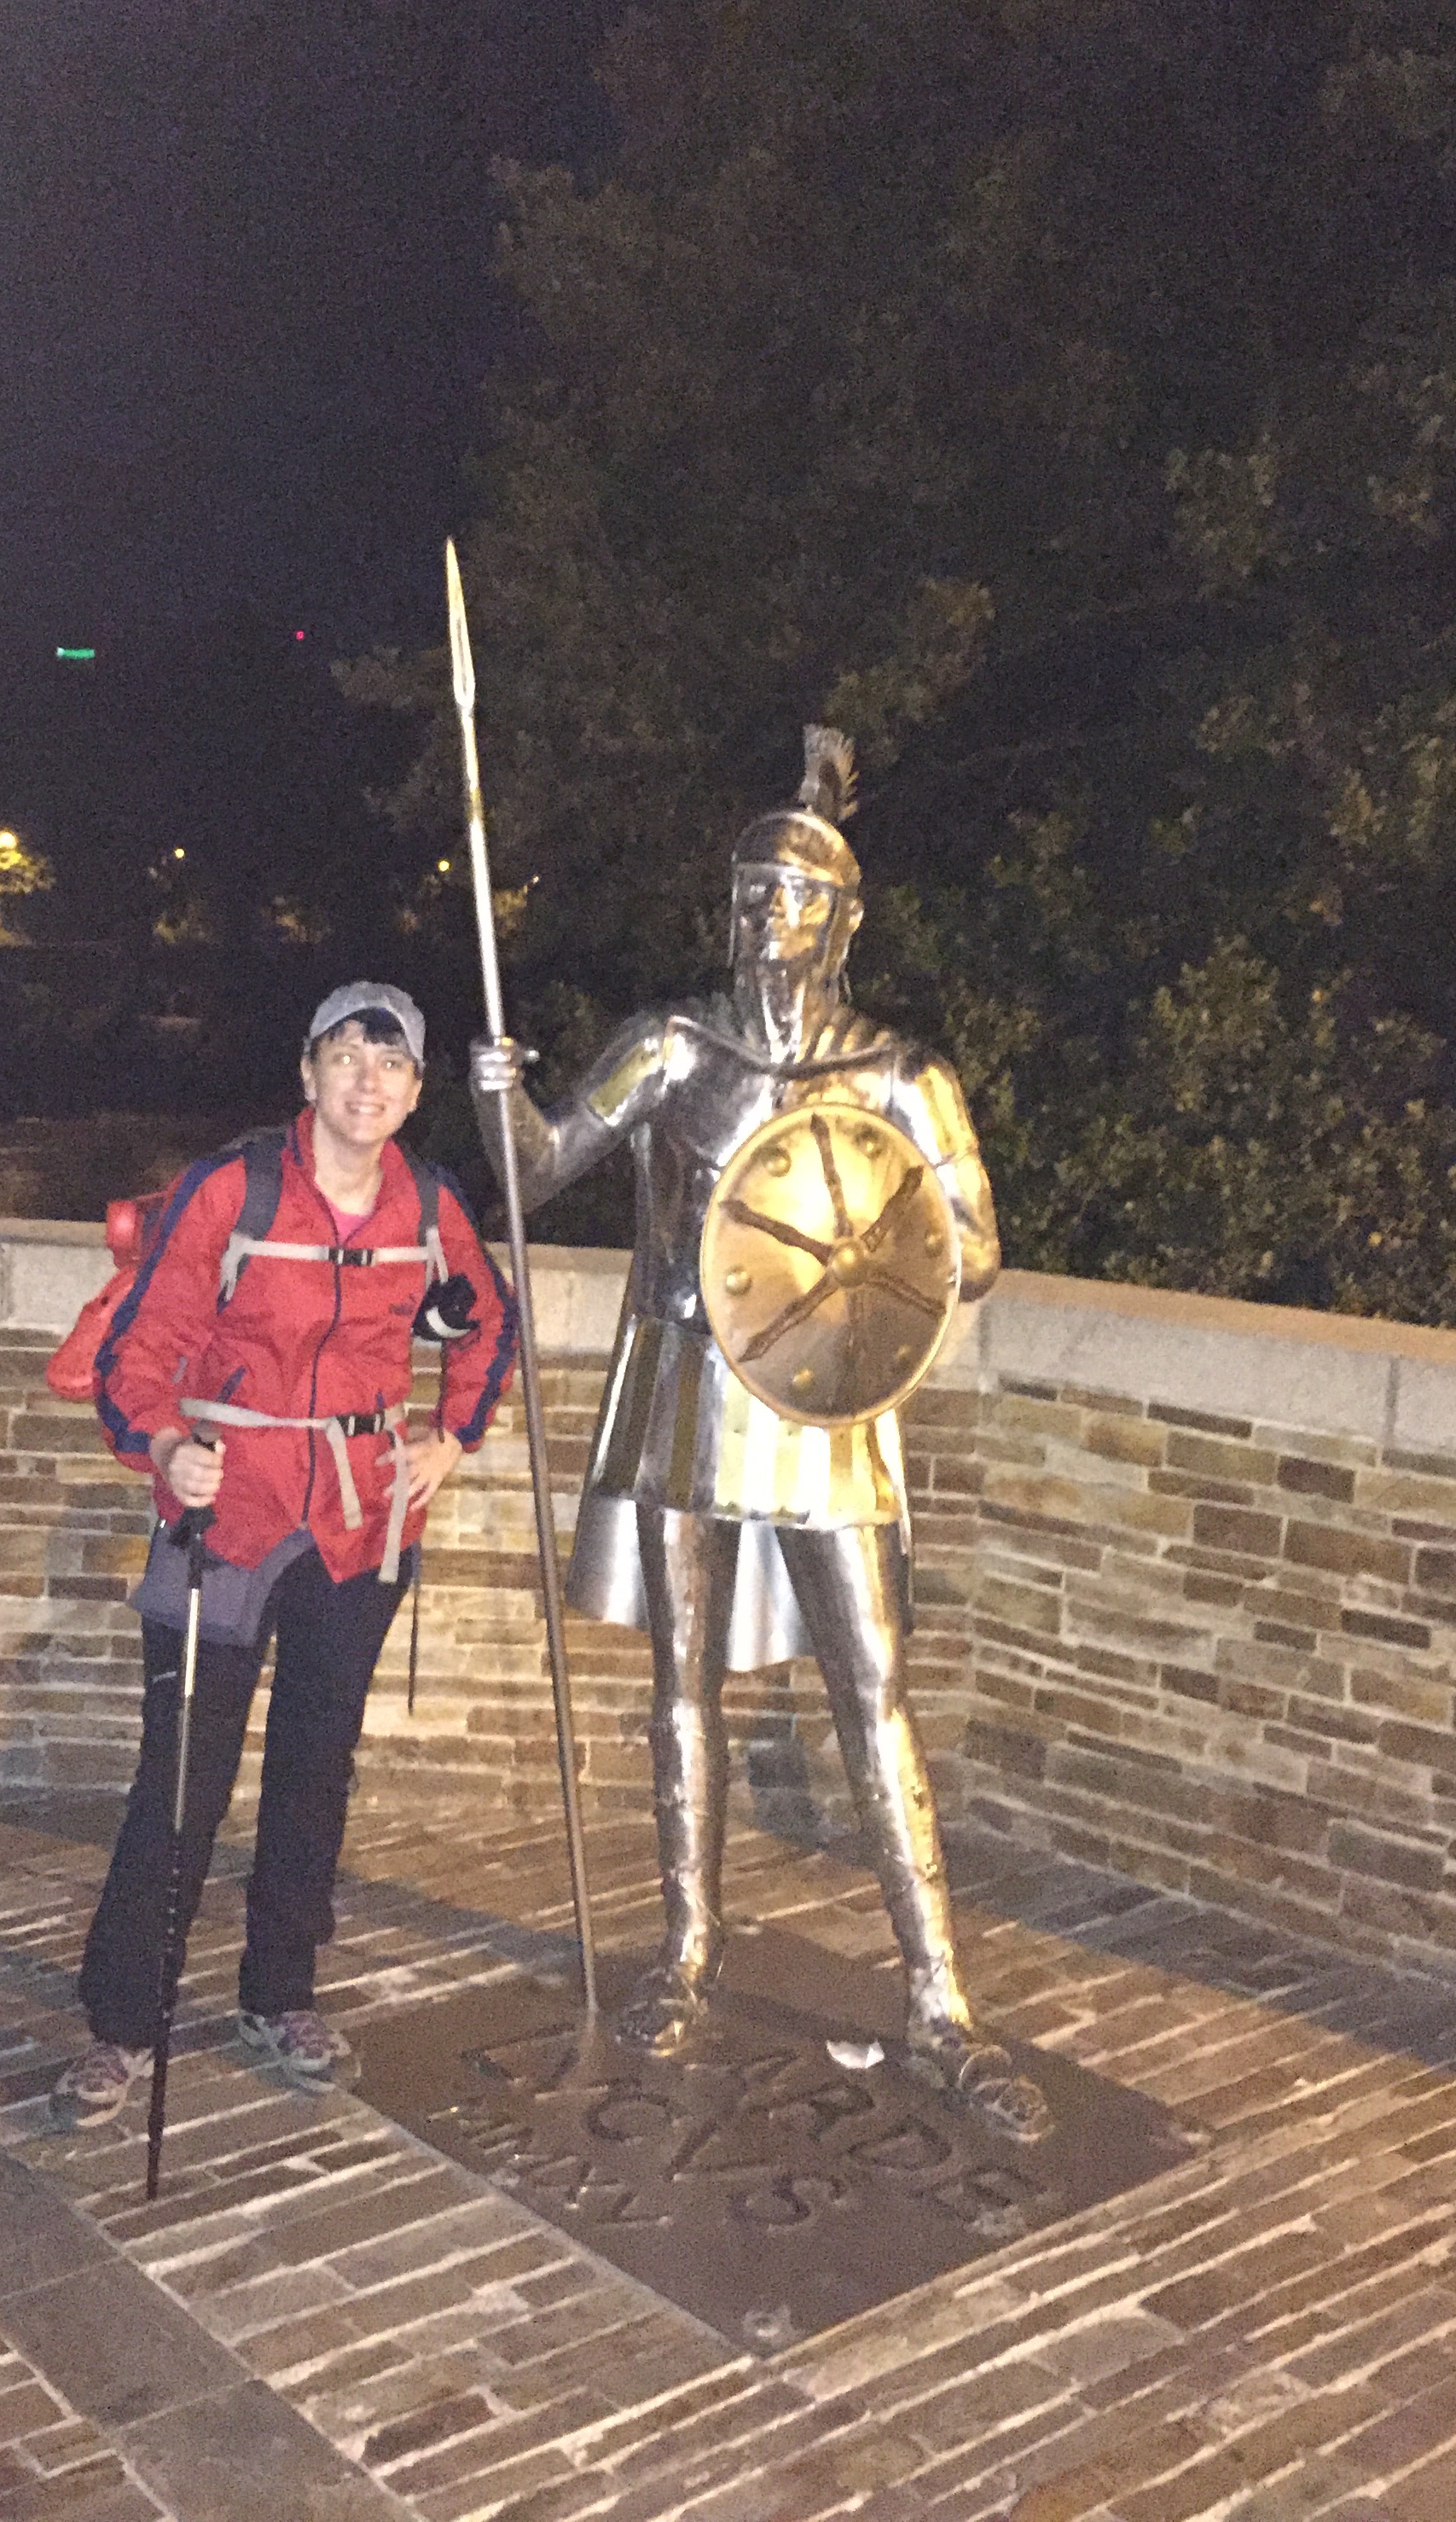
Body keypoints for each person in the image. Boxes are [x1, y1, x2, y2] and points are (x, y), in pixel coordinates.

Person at [472, 730, 1047, 2139]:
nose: (761, 917)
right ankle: (686, 1951)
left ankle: (940, 2000)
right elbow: (541, 1172)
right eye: (746, 895)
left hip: (825, 1401)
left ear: (841, 920)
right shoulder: (676, 1048)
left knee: (874, 1687)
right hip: (687, 1381)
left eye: (789, 896)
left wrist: (872, 1240)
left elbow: (970, 1251)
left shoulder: (903, 1077)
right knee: (682, 1681)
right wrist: (499, 1102)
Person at [51, 980, 516, 2126]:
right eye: (347, 1056)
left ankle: (280, 1995)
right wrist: (167, 1448)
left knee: (316, 1769)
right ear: (308, 1072)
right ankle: (124, 2022)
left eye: (393, 1064)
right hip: (229, 1519)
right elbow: (134, 1356)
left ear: (415, 1091)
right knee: (182, 1779)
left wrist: (452, 1439)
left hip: (358, 1529)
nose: (369, 1081)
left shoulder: (429, 1204)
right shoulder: (234, 1189)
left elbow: (490, 1324)